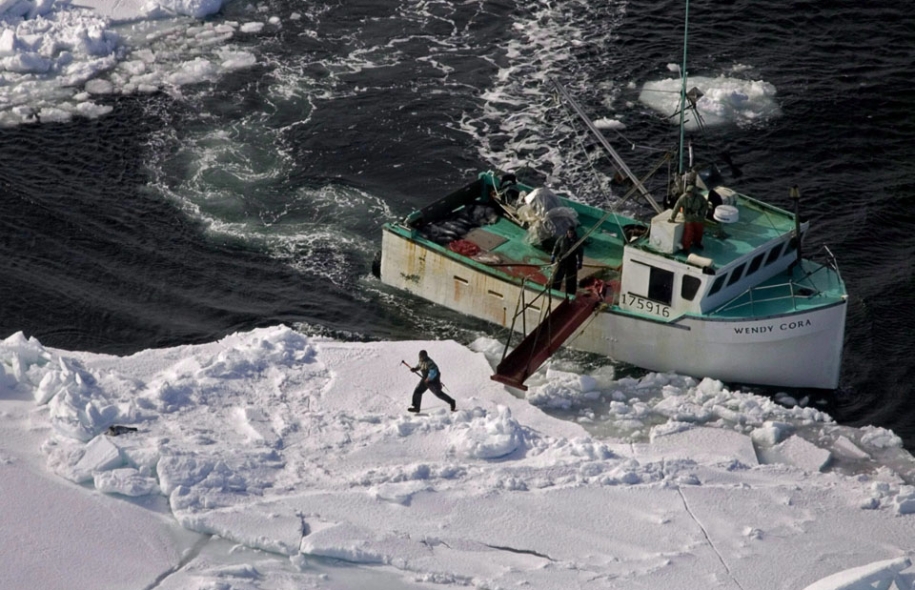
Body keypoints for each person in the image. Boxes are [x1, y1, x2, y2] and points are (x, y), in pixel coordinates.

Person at [669, 184, 709, 251]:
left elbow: (705, 205)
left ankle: (697, 243)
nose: (689, 194)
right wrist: (672, 218)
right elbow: (676, 207)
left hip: (698, 217)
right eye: (687, 193)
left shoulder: (700, 197)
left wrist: (700, 212)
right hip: (688, 217)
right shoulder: (683, 198)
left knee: (699, 231)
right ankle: (686, 247)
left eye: (690, 193)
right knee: (688, 233)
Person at [551, 226, 584, 295]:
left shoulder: (577, 241)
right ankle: (554, 291)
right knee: (557, 277)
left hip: (571, 262)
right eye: (569, 232)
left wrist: (580, 261)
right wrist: (553, 255)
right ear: (567, 232)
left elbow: (580, 252)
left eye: (571, 233)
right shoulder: (562, 239)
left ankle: (570, 294)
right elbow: (556, 247)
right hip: (562, 261)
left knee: (571, 280)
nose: (570, 234)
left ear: (574, 233)